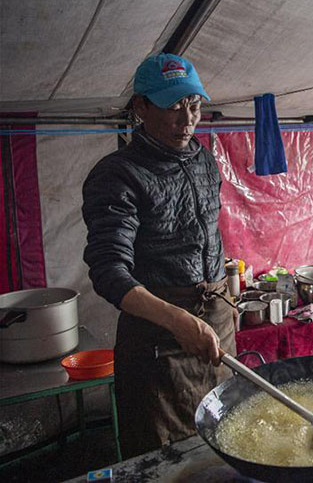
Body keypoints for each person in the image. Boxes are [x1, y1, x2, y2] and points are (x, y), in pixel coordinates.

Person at [82, 53, 236, 459]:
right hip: (158, 337)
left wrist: (226, 286)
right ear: (141, 107)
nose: (186, 120)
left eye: (194, 105)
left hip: (217, 317)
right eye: (172, 106)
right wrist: (177, 319)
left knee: (227, 431)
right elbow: (109, 271)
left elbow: (206, 231)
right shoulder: (118, 174)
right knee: (171, 453)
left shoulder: (203, 158)